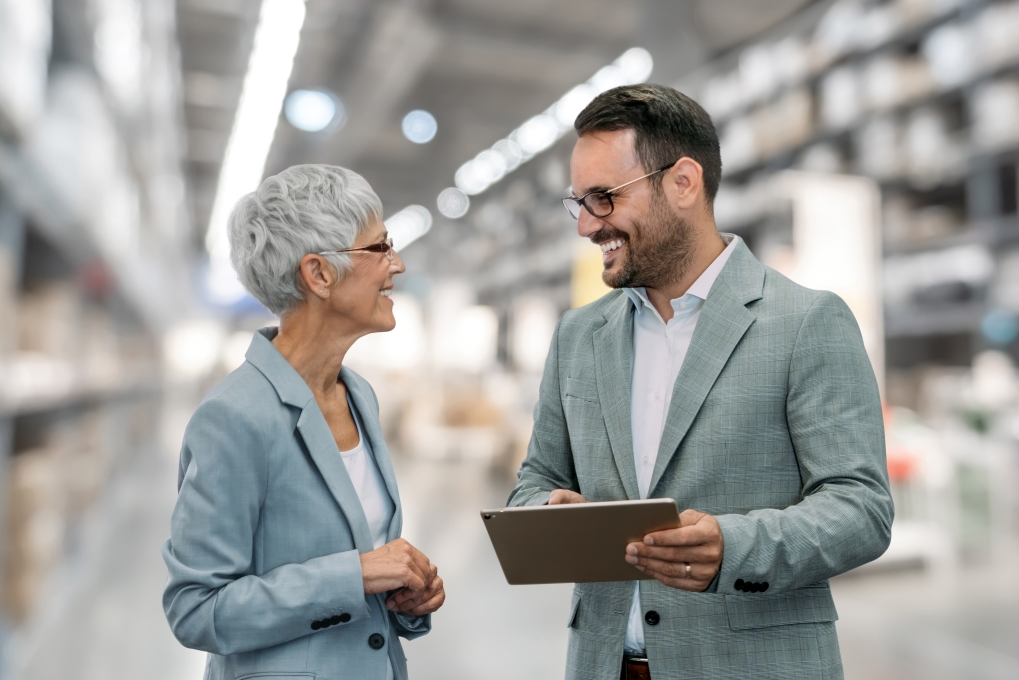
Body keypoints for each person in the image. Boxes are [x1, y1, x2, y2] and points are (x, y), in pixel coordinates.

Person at [508, 84, 893, 680]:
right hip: (606, 665)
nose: (586, 225)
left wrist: (733, 546)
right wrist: (544, 508)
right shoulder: (578, 336)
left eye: (604, 198)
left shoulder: (806, 322)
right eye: (578, 202)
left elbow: (861, 507)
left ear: (683, 183)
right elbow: (536, 479)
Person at [162, 164, 444, 680]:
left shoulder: (360, 397)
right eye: (379, 249)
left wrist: (405, 596)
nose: (397, 265)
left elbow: (365, 575)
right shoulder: (234, 417)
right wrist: (355, 577)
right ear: (319, 274)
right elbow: (197, 609)